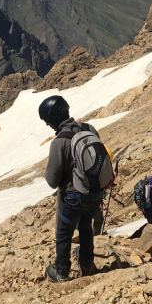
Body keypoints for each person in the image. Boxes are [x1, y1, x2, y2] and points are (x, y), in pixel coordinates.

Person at [40, 95, 107, 283]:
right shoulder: (89, 129)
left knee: (63, 233)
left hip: (71, 198)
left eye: (47, 121)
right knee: (85, 226)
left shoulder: (59, 142)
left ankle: (61, 271)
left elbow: (52, 180)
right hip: (94, 194)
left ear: (53, 120)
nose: (48, 125)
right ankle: (87, 265)